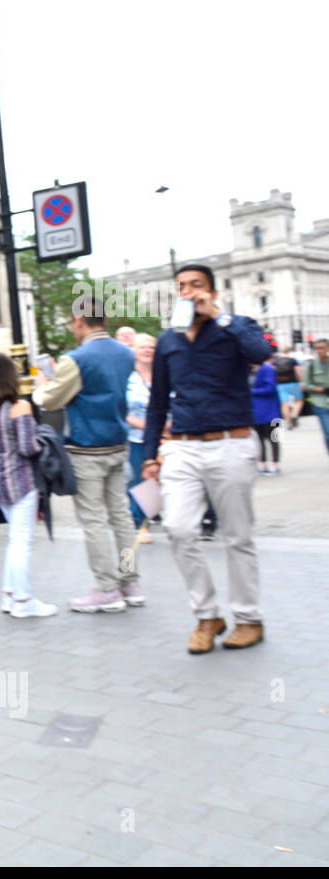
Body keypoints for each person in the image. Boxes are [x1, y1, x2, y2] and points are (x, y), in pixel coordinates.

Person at [141, 264, 273, 654]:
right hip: (181, 446)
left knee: (237, 535)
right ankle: (207, 615)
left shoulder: (236, 327)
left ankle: (248, 618)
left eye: (196, 285)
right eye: (181, 286)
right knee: (179, 529)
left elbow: (261, 352)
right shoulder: (169, 340)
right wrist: (150, 455)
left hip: (230, 443)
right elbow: (157, 402)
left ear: (212, 292)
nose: (188, 292)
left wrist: (219, 316)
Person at [33, 295, 141, 612]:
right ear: (105, 320)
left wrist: (43, 382)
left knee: (93, 520)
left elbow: (49, 400)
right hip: (119, 444)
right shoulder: (125, 353)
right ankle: (130, 582)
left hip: (87, 448)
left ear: (79, 321)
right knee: (121, 516)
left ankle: (107, 589)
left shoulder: (76, 359)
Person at [0, 352, 54, 618]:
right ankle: (23, 600)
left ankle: (9, 595)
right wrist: (45, 440)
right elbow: (28, 446)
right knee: (22, 542)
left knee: (14, 540)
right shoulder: (19, 406)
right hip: (20, 480)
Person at [125, 333, 155, 542]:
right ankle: (141, 524)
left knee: (166, 482)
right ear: (134, 350)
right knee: (141, 480)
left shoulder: (165, 375)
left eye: (152, 347)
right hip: (136, 437)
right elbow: (119, 408)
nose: (147, 350)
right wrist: (144, 425)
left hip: (167, 436)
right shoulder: (127, 378)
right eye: (143, 347)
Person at [250, 356, 282, 475]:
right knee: (259, 439)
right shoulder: (250, 370)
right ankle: (262, 463)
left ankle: (275, 464)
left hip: (270, 410)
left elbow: (270, 388)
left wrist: (251, 392)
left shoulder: (266, 369)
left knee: (273, 438)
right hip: (256, 411)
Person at [304, 338, 329, 454]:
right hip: (320, 402)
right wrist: (321, 389)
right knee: (328, 432)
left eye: (321, 348)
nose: (319, 351)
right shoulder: (311, 365)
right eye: (316, 348)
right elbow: (306, 385)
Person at [272, 345, 303, 428]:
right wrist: (300, 382)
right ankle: (294, 415)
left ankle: (288, 423)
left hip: (280, 384)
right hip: (292, 383)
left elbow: (273, 373)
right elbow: (298, 373)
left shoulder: (276, 361)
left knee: (284, 404)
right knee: (299, 400)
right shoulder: (293, 360)